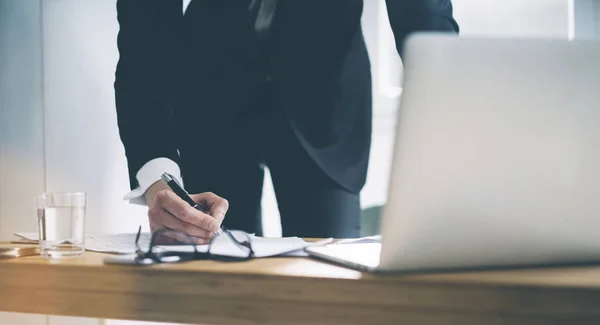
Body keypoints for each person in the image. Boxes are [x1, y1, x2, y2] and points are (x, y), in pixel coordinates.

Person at [114, 0, 459, 244]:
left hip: (326, 102)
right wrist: (157, 179)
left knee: (329, 292)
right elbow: (145, 36)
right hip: (210, 96)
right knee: (220, 288)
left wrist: (457, 130)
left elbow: (423, 15)